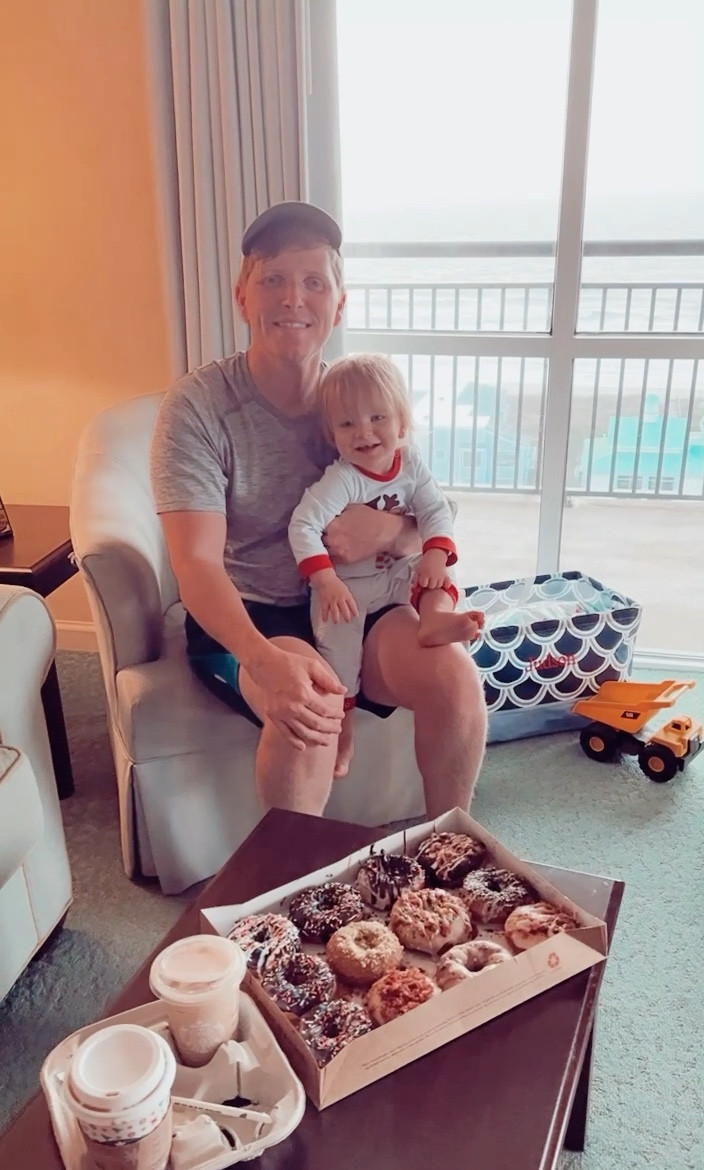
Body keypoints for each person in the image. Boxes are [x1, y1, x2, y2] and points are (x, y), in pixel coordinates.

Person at [150, 199, 487, 824]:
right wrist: (263, 659)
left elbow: (433, 503)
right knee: (311, 704)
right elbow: (195, 563)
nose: (292, 299)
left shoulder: (357, 400)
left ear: (339, 302)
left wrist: (392, 531)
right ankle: (289, 895)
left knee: (456, 679)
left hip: (360, 605)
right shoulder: (198, 409)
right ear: (241, 296)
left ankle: (452, 850)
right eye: (272, 279)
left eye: (313, 282)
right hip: (255, 613)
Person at [288, 352, 484, 774]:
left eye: (377, 418)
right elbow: (302, 526)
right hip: (348, 588)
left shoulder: (410, 462)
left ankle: (433, 622)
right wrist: (325, 581)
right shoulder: (341, 480)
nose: (364, 432)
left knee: (439, 575)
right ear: (332, 434)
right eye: (347, 424)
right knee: (339, 656)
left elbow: (435, 509)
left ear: (402, 423)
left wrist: (433, 551)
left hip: (394, 574)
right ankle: (344, 735)